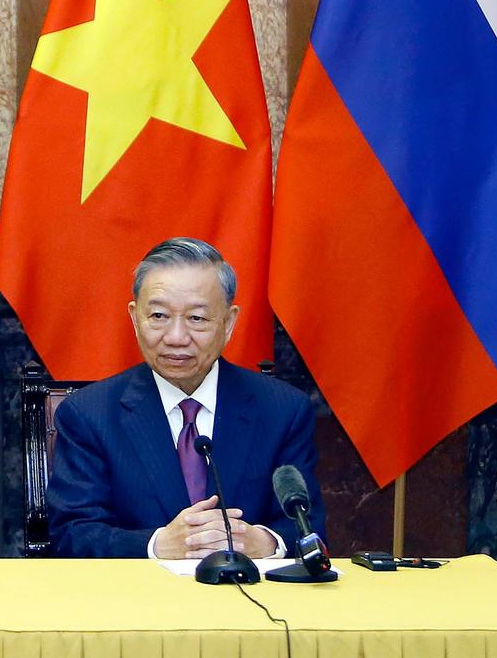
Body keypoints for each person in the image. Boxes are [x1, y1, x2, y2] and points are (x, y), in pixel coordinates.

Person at [46, 238, 325, 559]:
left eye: (197, 319)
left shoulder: (283, 410)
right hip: (136, 602)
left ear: (229, 322)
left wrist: (265, 542)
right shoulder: (89, 414)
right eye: (159, 316)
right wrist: (157, 545)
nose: (176, 338)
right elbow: (71, 533)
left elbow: (309, 523)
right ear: (136, 318)